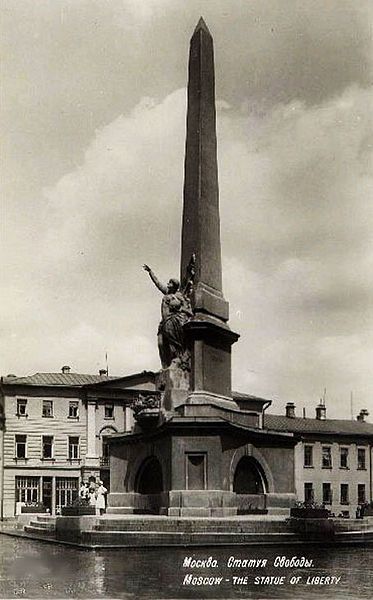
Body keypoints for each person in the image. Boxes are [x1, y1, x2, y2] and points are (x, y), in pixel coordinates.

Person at [143, 264, 193, 368]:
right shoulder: (166, 292)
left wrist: (183, 312)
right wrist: (150, 272)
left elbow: (186, 309)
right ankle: (164, 366)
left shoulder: (179, 296)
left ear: (174, 286)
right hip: (163, 323)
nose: (168, 284)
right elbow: (157, 283)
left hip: (172, 322)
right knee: (161, 344)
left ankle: (175, 361)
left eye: (170, 283)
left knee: (172, 344)